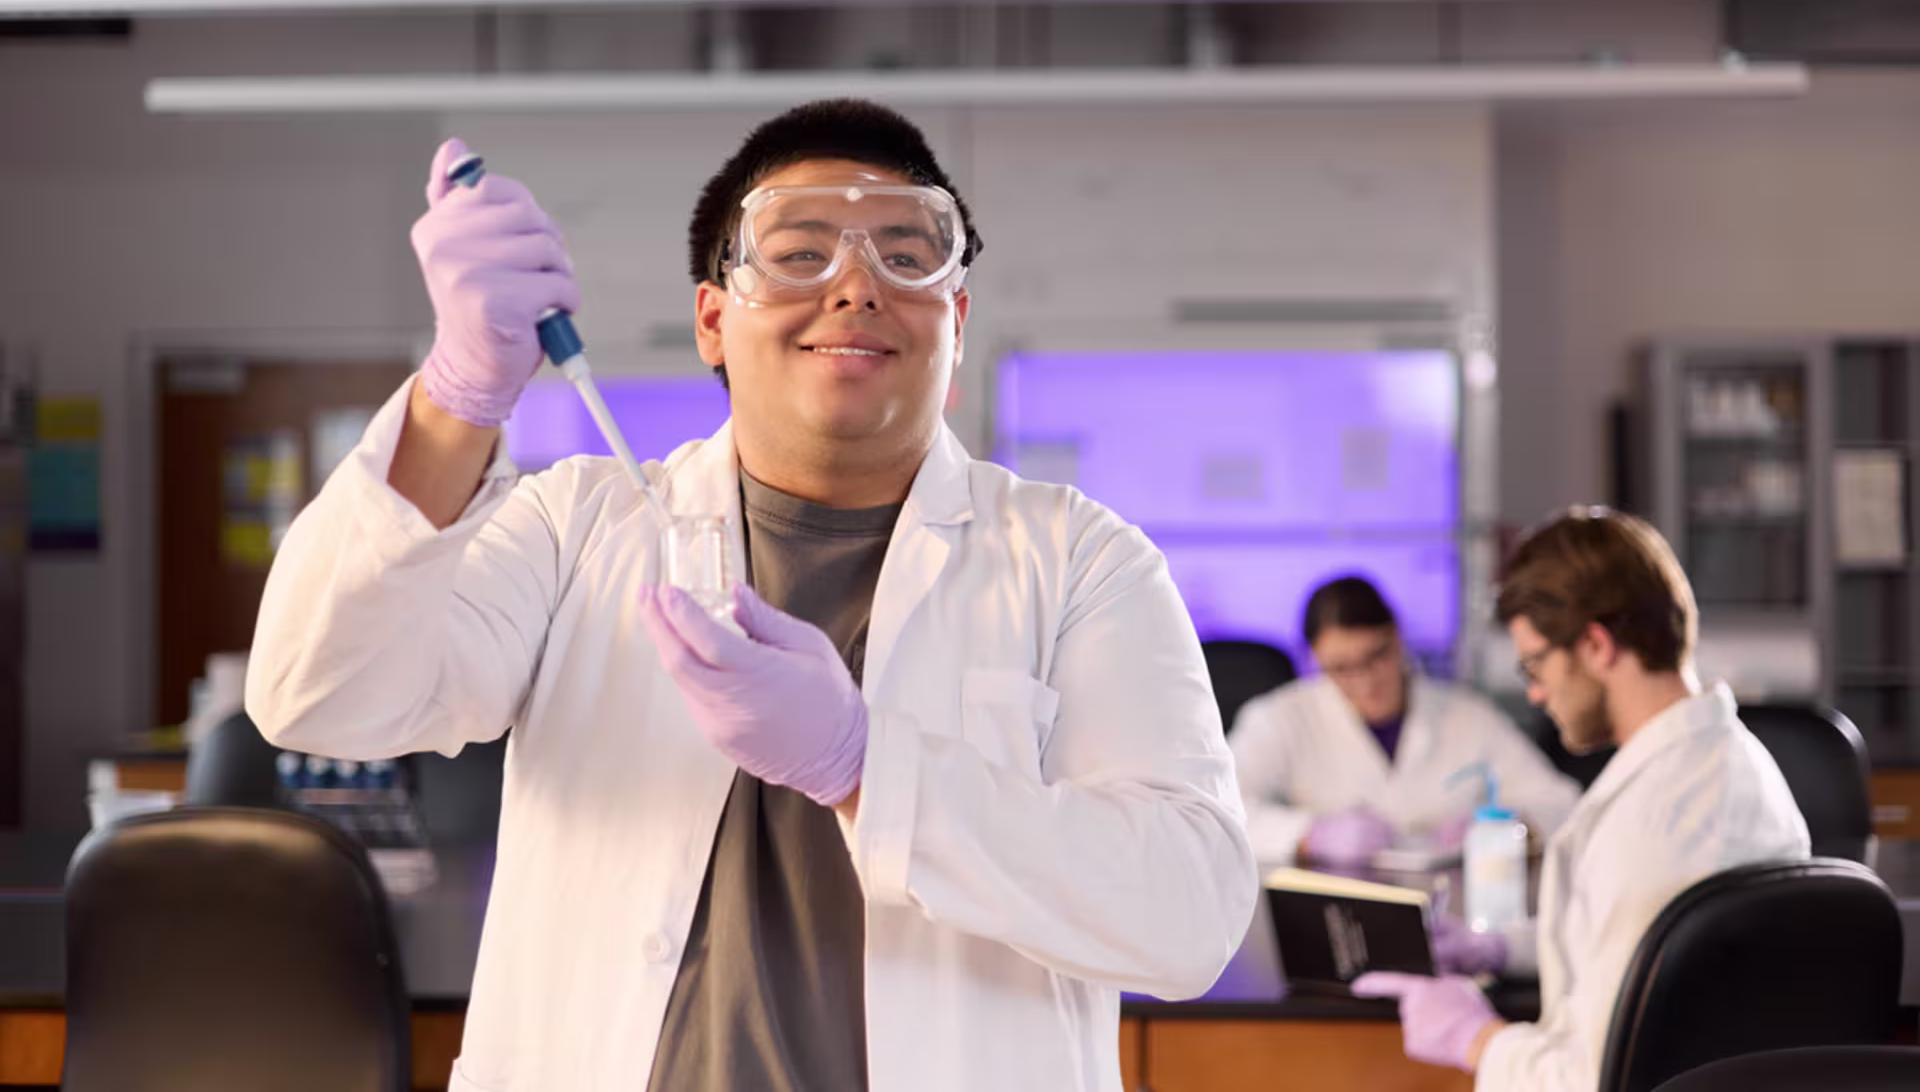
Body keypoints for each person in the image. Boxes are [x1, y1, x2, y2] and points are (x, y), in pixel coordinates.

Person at [245, 99, 1256, 1092]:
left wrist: (863, 765)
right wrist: (457, 395)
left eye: (908, 255)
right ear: (713, 320)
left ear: (955, 324)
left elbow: (1188, 915)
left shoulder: (1081, 561)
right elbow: (320, 693)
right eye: (799, 250)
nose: (856, 285)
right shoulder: (576, 527)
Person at [1352, 508, 1810, 1091]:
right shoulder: (1725, 761)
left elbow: (1593, 1080)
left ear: (1596, 645)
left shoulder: (1655, 826)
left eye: (1535, 664)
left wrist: (1477, 1038)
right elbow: (1646, 962)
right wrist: (1498, 947)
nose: (1536, 692)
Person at [1230, 574, 1580, 869]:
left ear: (1397, 637)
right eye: (1341, 668)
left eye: (1376, 656)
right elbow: (1224, 812)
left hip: (1450, 908)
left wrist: (1509, 827)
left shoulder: (1468, 716)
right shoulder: (1279, 720)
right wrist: (1307, 834)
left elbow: (1562, 804)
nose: (1366, 682)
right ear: (1313, 661)